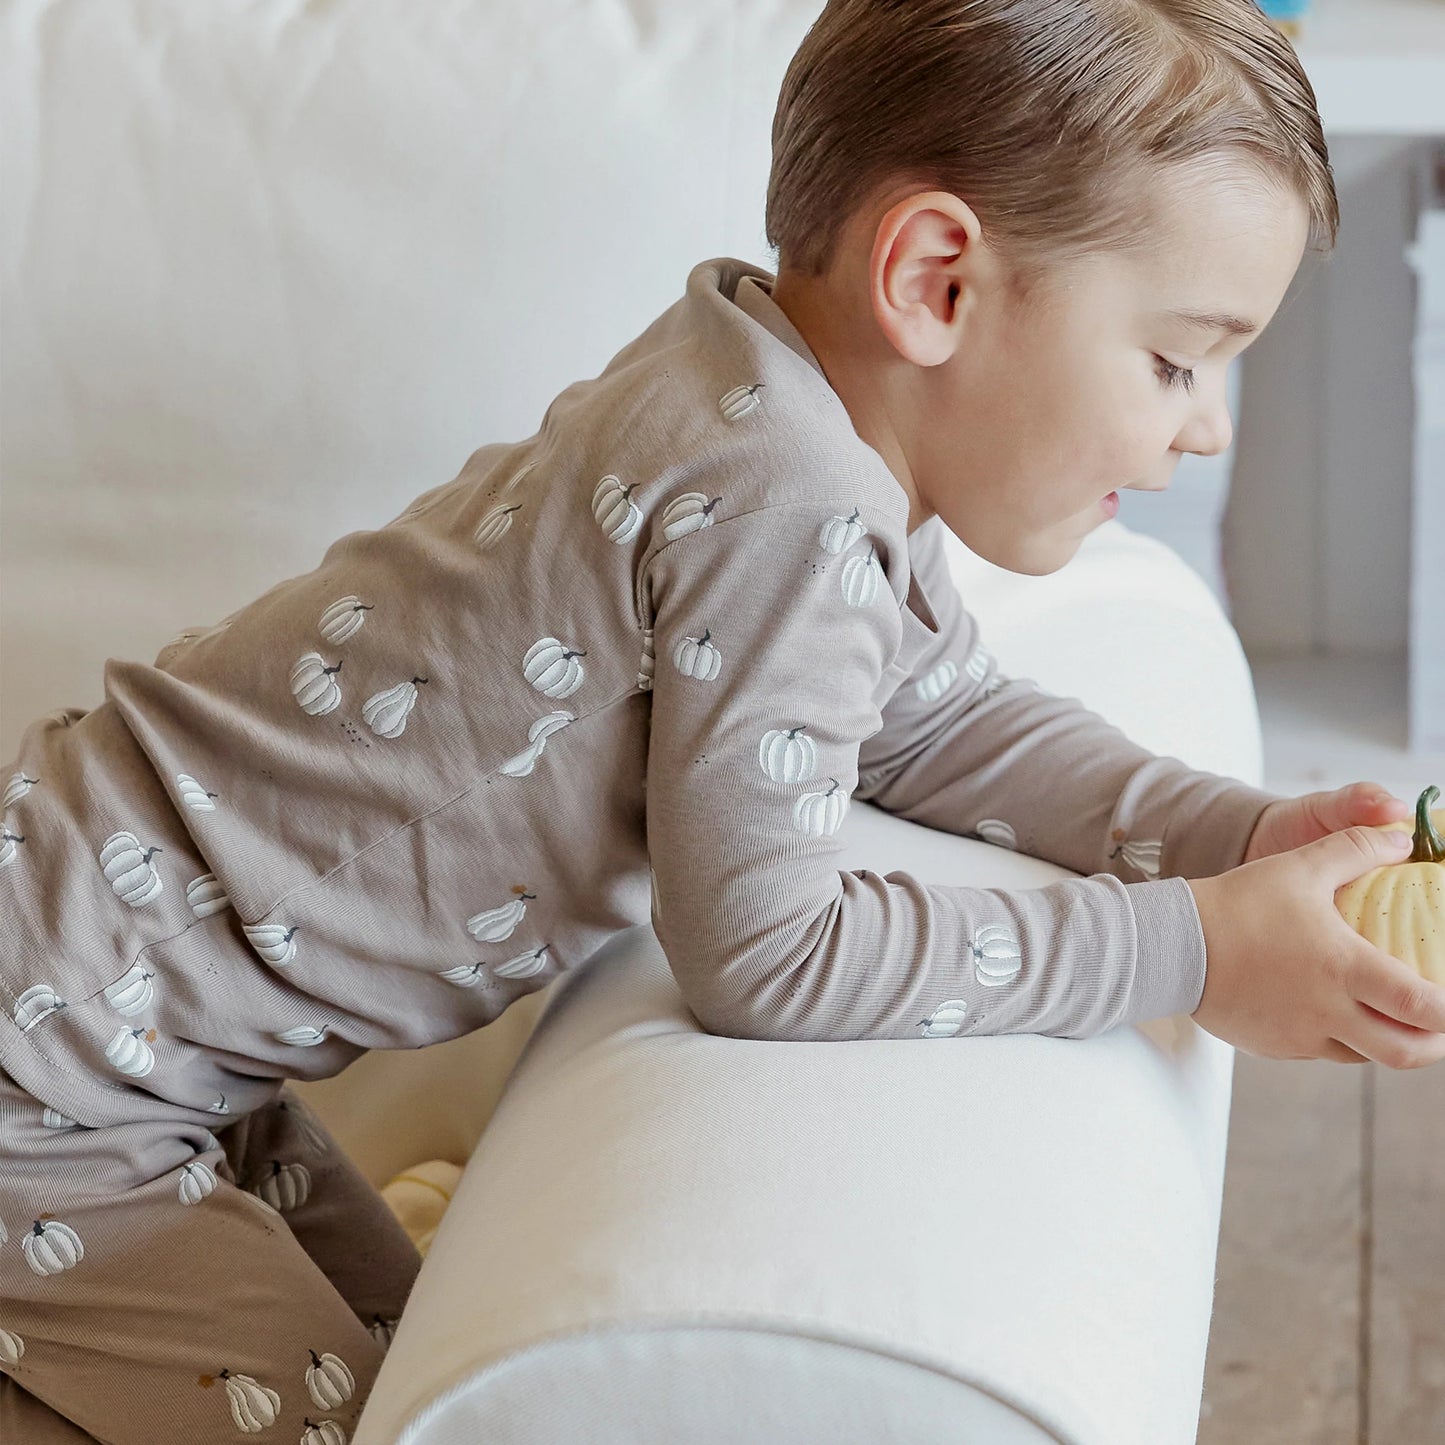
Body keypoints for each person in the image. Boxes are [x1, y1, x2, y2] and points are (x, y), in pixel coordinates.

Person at [4, 1, 1442, 1439]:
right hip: (52, 1072)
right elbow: (770, 951)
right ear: (937, 280)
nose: (1205, 430)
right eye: (1176, 361)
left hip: (138, 1039)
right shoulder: (784, 499)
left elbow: (936, 729)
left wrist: (1235, 833)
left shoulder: (765, 402)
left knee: (419, 1372)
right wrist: (1184, 953)